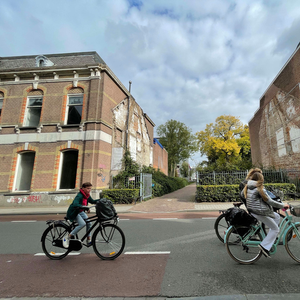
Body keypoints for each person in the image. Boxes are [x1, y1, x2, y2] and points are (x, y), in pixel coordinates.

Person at [242, 172, 289, 258]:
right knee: (276, 229)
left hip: (253, 211)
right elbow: (270, 201)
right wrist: (283, 205)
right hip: (259, 212)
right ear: (260, 179)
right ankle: (264, 246)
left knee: (277, 216)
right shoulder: (259, 188)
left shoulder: (248, 186)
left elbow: (242, 195)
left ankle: (269, 240)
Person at [63, 182, 98, 248]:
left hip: (80, 212)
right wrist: (84, 207)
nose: (89, 190)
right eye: (88, 188)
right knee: (82, 224)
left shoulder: (87, 195)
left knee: (89, 223)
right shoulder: (79, 196)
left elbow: (92, 201)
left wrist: (102, 200)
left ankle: (88, 240)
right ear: (83, 188)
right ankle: (67, 237)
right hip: (74, 212)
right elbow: (75, 204)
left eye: (90, 188)